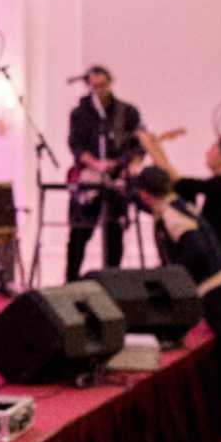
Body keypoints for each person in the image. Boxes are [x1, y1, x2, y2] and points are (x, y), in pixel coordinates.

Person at [135, 166, 221, 438]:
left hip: (218, 289)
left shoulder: (171, 214)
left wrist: (175, 278)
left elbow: (195, 250)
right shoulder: (179, 204)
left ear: (145, 195)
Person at [65, 65, 144, 281]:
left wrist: (123, 165)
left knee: (114, 232)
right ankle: (71, 281)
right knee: (80, 232)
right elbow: (75, 145)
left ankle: (113, 281)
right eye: (95, 87)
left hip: (115, 178)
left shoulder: (127, 112)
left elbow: (139, 145)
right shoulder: (80, 113)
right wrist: (95, 164)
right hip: (89, 178)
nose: (100, 91)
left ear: (110, 83)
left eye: (103, 86)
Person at [141, 130, 221, 247]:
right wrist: (157, 147)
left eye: (213, 148)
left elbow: (179, 182)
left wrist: (151, 146)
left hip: (219, 252)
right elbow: (180, 183)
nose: (207, 153)